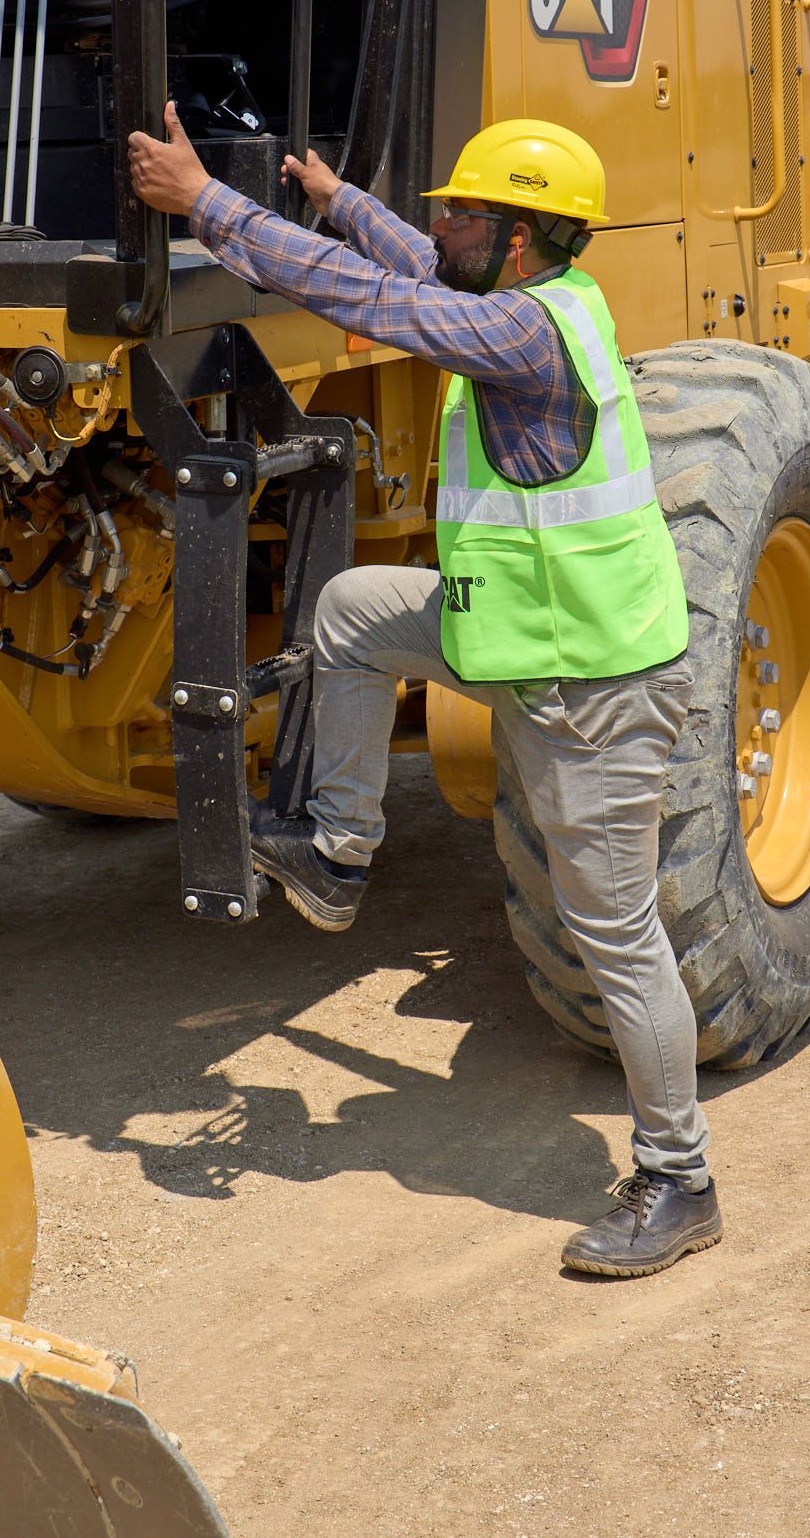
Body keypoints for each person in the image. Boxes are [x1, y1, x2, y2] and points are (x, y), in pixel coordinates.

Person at [127, 104, 720, 1279]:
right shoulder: (538, 297)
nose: (438, 218)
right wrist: (338, 197)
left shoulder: (522, 338)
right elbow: (405, 266)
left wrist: (207, 204)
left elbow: (376, 302)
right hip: (513, 638)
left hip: (588, 683)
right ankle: (342, 853)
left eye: (458, 207)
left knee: (614, 932)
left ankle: (680, 1175)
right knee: (350, 611)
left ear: (514, 236)